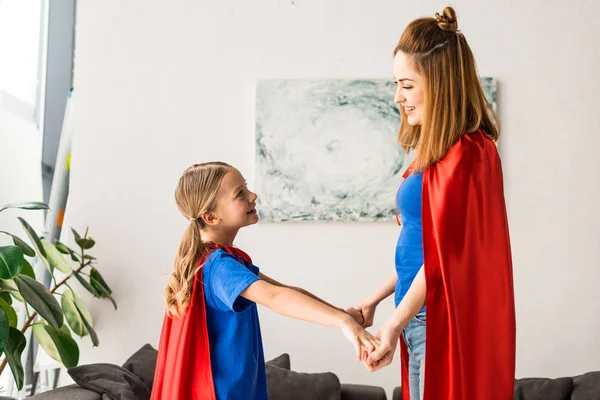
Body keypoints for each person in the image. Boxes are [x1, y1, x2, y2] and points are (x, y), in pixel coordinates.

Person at [347, 7, 516, 400]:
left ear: (438, 83)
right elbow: (423, 245)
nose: (397, 97)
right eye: (396, 83)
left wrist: (394, 322)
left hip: (439, 317)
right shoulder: (437, 153)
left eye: (406, 85)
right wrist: (375, 301)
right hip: (417, 315)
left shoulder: (469, 153)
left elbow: (447, 257)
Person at [151, 162, 379, 400]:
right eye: (240, 193)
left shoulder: (222, 260)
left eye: (246, 187)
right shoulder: (219, 267)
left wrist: (342, 313)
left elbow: (283, 290)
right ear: (211, 217)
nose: (253, 195)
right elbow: (277, 299)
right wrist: (343, 322)